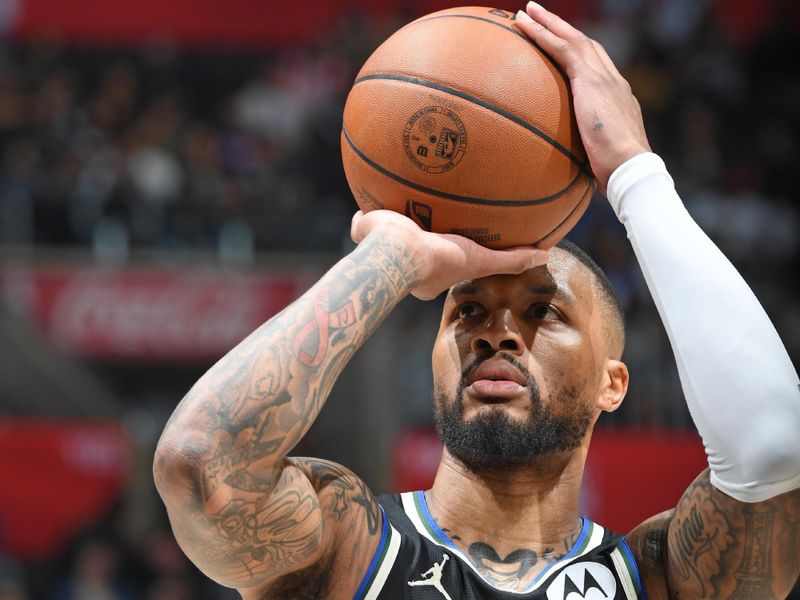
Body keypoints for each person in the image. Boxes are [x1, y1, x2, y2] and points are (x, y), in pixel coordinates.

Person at [153, 3, 800, 599]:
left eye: (544, 311)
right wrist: (396, 254)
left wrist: (635, 173)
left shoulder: (658, 577)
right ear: (434, 354)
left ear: (614, 382)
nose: (498, 332)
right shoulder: (347, 546)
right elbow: (200, 462)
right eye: (466, 311)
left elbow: (775, 452)